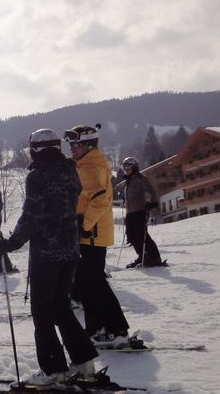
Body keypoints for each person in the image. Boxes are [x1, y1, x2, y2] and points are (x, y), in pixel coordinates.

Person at [0, 129, 99, 385]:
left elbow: (32, 215)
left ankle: (54, 370)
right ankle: (84, 363)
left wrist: (10, 243)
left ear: (36, 149)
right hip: (70, 250)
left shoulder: (38, 176)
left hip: (47, 254)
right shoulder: (69, 170)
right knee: (61, 307)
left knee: (42, 311)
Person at [63, 124, 131, 347]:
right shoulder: (85, 165)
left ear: (89, 145)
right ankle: (97, 328)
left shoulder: (90, 167)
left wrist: (84, 223)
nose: (72, 149)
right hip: (88, 234)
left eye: (76, 145)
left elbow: (100, 200)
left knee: (94, 282)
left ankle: (117, 329)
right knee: (86, 282)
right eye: (71, 146)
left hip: (91, 234)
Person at [121, 157, 166, 268]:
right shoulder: (128, 181)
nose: (126, 170)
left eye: (128, 167)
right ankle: (142, 255)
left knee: (142, 235)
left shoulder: (140, 178)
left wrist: (153, 203)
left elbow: (151, 190)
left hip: (140, 210)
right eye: (124, 168)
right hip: (130, 211)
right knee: (131, 236)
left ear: (134, 167)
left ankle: (154, 257)